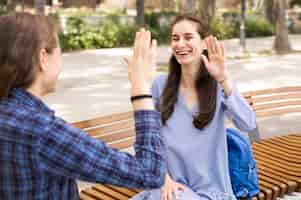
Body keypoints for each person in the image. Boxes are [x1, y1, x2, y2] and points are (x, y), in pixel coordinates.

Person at [0, 13, 166, 200]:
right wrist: (141, 87)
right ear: (43, 58)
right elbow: (150, 173)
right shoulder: (43, 131)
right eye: (59, 51)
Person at [131, 15, 256, 200]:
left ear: (204, 43)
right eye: (175, 38)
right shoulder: (159, 85)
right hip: (168, 188)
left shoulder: (218, 85)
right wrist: (163, 178)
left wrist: (224, 79)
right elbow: (148, 138)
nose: (180, 44)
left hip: (211, 193)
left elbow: (248, 123)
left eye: (188, 37)